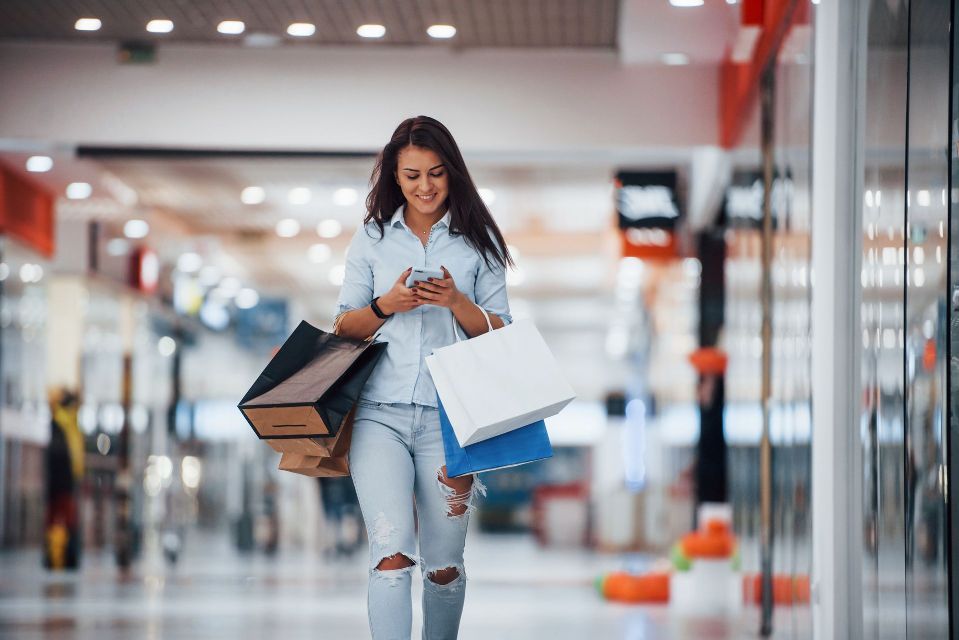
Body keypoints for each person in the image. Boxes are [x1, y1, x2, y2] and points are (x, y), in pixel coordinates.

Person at [334, 115, 513, 639]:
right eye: (411, 175)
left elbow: (503, 333)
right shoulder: (369, 240)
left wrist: (458, 302)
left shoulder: (479, 244)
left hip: (452, 420)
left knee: (444, 563)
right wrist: (385, 305)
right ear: (393, 176)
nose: (425, 186)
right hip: (378, 417)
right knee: (390, 553)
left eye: (436, 173)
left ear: (452, 173)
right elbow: (344, 326)